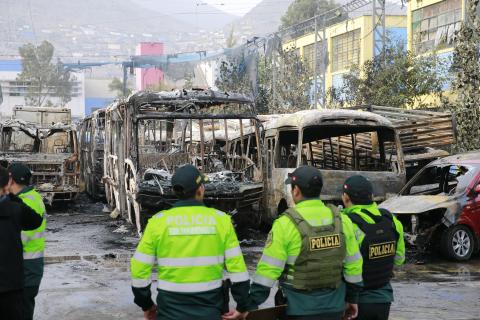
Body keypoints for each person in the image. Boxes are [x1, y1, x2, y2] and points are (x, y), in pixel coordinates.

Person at [236, 166, 363, 320]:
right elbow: (354, 266)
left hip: (297, 309)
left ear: (296, 191)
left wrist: (249, 305)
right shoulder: (342, 219)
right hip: (335, 308)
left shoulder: (285, 224)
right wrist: (352, 299)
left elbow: (268, 271)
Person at [130, 164, 251, 320]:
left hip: (169, 311)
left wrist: (147, 305)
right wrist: (242, 306)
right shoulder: (221, 220)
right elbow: (238, 270)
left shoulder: (158, 223)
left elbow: (139, 270)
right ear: (200, 190)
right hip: (210, 311)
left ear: (175, 192)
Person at [341, 175, 405, 320]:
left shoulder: (347, 224)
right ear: (371, 196)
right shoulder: (392, 220)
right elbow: (399, 260)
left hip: (355, 303)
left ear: (345, 197)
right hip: (384, 300)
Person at [0, 166, 43, 319]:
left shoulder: (19, 206)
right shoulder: (27, 200)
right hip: (24, 268)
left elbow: (16, 237)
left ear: (11, 181)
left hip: (26, 266)